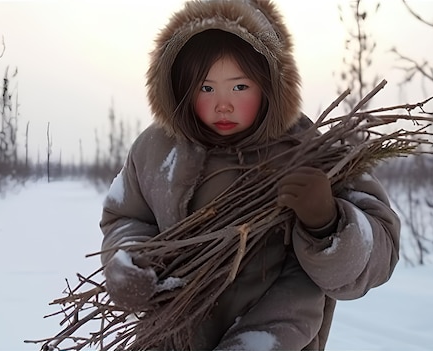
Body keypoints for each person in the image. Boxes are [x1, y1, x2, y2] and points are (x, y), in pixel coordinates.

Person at [100, 0, 400, 350]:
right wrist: (128, 263)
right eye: (206, 88)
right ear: (181, 88)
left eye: (239, 87)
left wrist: (327, 222)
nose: (222, 103)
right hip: (168, 338)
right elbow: (126, 218)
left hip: (275, 337)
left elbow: (379, 253)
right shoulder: (155, 150)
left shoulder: (308, 151)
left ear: (270, 84)